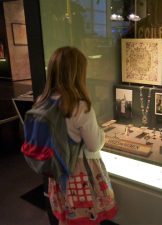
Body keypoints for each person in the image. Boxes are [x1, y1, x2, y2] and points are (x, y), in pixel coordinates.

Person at [34, 46, 117, 225]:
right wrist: (102, 133)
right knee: (84, 216)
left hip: (58, 170)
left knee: (68, 217)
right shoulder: (80, 106)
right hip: (80, 173)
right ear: (78, 74)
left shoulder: (42, 101)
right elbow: (94, 144)